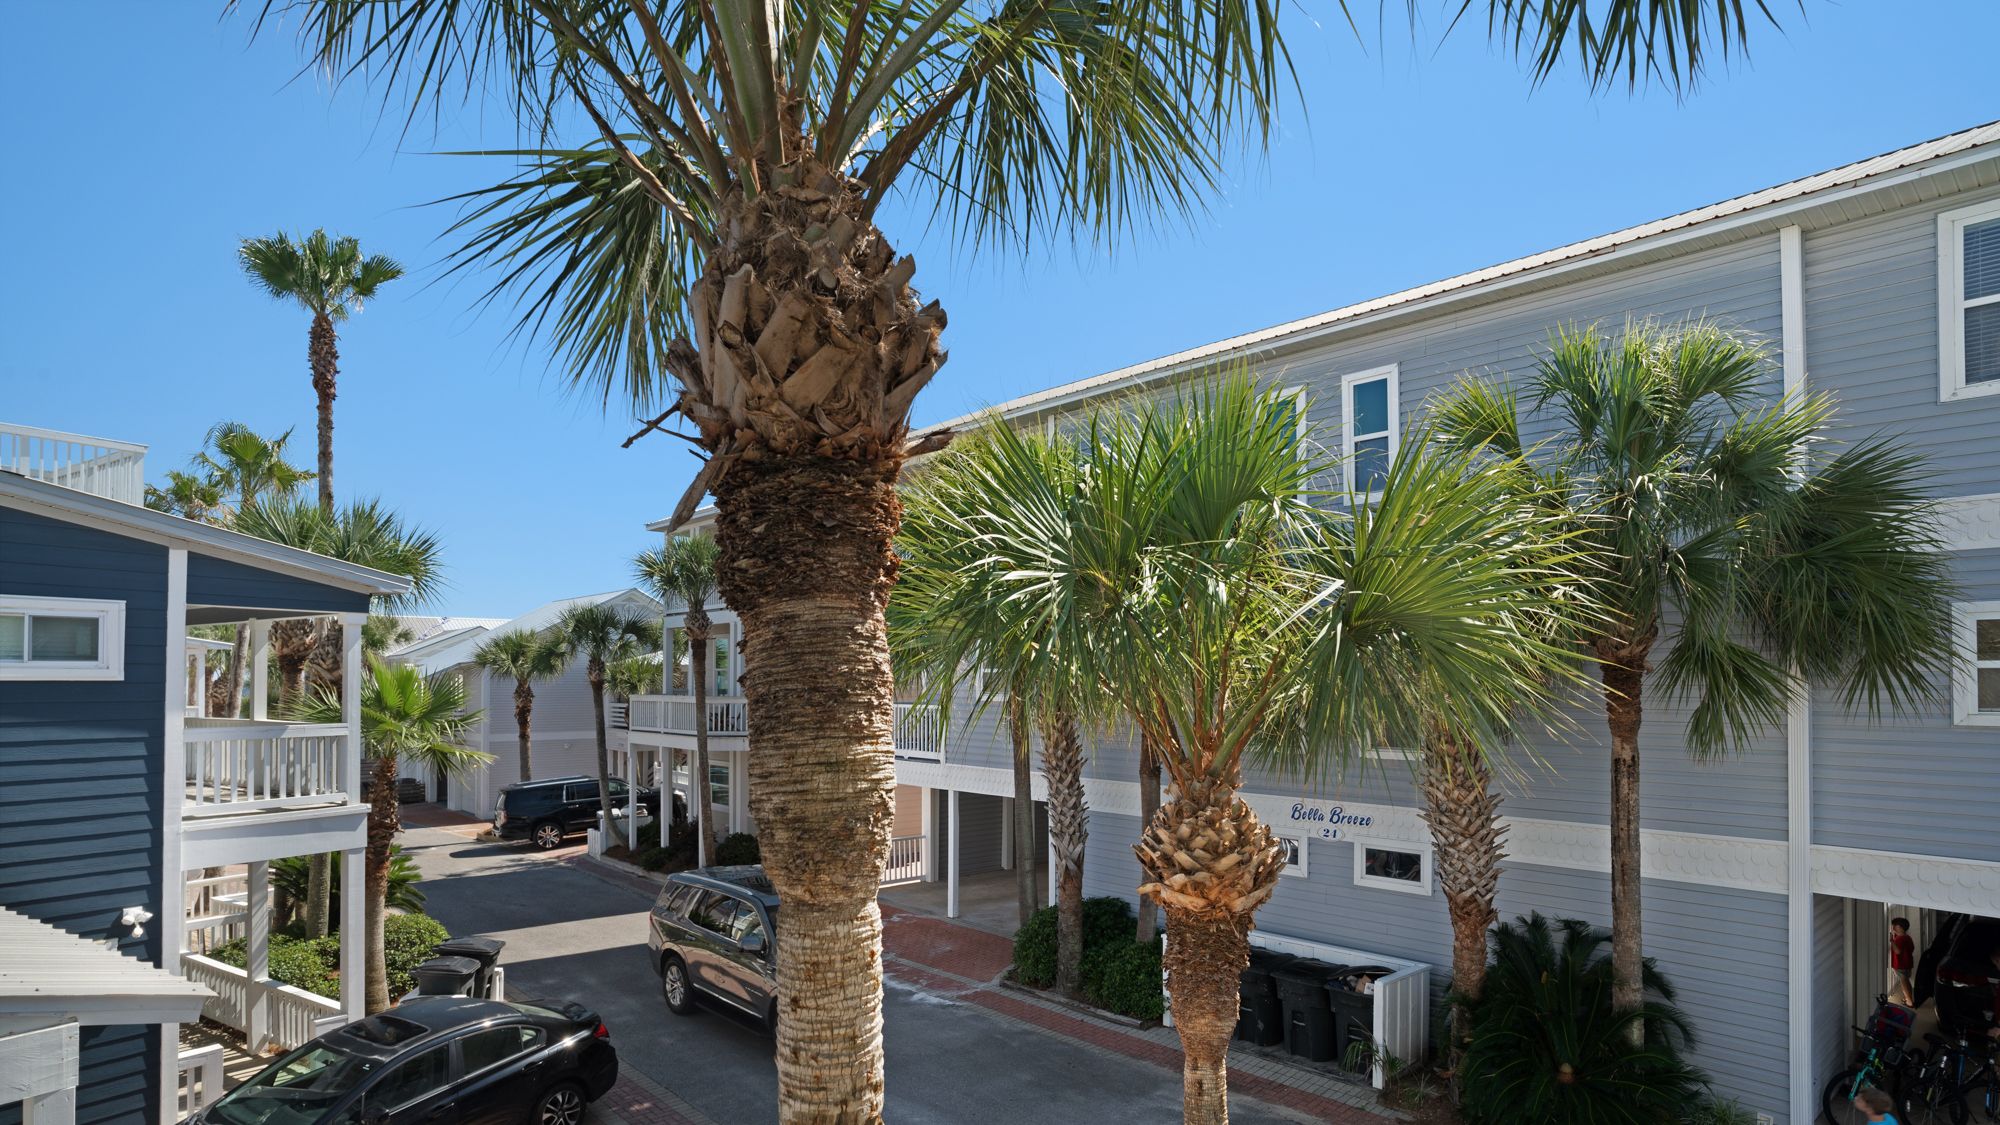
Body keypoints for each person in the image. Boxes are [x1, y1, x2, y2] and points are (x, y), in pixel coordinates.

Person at [1889, 917, 1915, 1006]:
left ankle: (1910, 1001)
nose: (1892, 928)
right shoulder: (1907, 937)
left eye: (1894, 926)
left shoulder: (1900, 939)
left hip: (1900, 965)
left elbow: (1898, 951)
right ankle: (1908, 998)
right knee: (1907, 982)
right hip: (1908, 963)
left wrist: (1892, 941)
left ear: (1899, 927)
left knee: (1904, 984)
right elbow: (1912, 948)